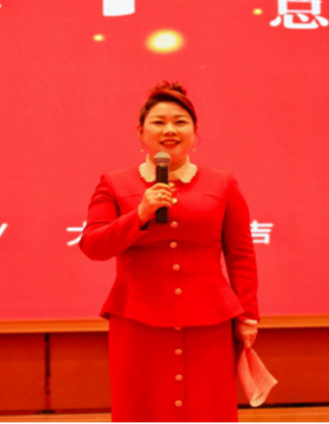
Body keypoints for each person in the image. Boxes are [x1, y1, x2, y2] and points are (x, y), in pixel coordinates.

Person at [79, 81, 259, 422]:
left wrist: (248, 315)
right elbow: (93, 246)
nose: (170, 130)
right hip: (137, 318)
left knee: (208, 407)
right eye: (159, 122)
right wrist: (140, 214)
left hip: (209, 319)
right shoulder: (114, 183)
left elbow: (241, 254)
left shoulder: (223, 182)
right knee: (141, 406)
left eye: (180, 122)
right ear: (140, 132)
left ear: (194, 131)